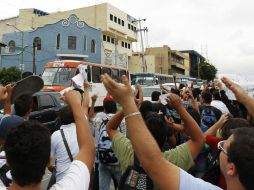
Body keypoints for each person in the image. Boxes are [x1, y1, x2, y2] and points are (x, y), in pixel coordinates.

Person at [101, 74, 254, 190]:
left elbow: (151, 162)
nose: (219, 145)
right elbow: (199, 139)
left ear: (232, 168)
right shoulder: (174, 158)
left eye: (222, 147)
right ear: (166, 135)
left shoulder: (127, 149)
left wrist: (128, 104)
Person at [106, 78, 205, 189]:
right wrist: (180, 108)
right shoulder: (172, 160)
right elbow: (199, 140)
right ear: (165, 137)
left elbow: (110, 128)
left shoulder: (128, 151)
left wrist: (127, 104)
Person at [3, 90, 95, 190]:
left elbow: (87, 149)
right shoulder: (70, 186)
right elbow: (88, 149)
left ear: (7, 160)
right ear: (48, 161)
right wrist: (76, 104)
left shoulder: (56, 135)